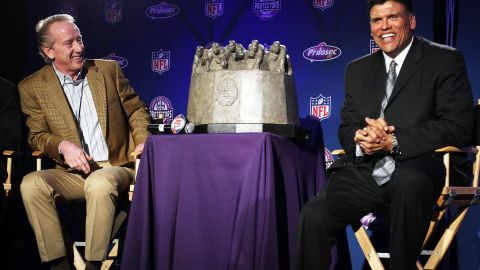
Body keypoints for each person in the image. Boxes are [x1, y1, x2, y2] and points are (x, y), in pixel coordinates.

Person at [296, 1, 474, 269]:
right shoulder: (357, 70)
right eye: (377, 20)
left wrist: (393, 141)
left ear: (411, 21)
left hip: (423, 165)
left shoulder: (445, 60)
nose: (384, 27)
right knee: (313, 215)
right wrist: (362, 140)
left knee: (409, 181)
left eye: (392, 17)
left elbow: (459, 125)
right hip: (369, 169)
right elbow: (346, 127)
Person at [18, 14, 150, 270]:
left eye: (79, 39)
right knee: (31, 184)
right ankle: (59, 263)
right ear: (49, 50)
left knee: (100, 183)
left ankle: (92, 263)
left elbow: (137, 111)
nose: (79, 48)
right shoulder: (32, 86)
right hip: (72, 173)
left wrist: (143, 142)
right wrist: (62, 146)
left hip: (116, 167)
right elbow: (36, 136)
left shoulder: (107, 71)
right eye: (69, 43)